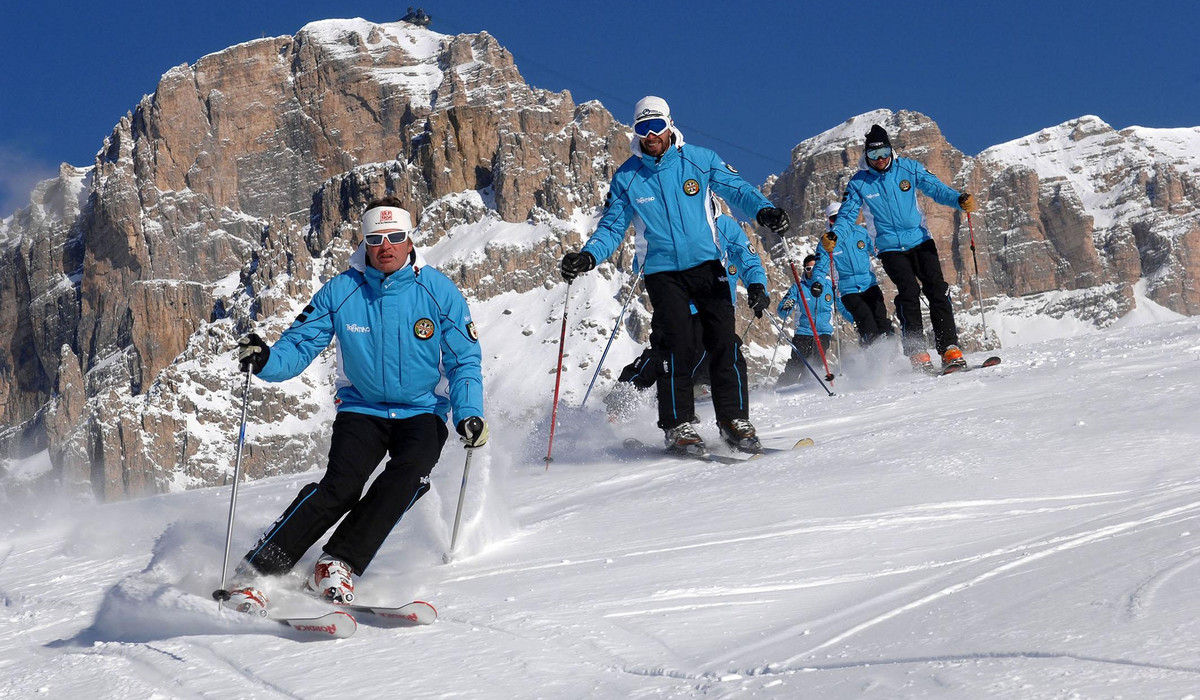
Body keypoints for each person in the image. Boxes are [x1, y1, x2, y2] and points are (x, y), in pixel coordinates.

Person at [225, 196, 487, 613]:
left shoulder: (437, 290)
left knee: (408, 476)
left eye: (395, 237)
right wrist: (267, 360)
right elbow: (300, 343)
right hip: (362, 408)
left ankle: (337, 562)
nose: (386, 246)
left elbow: (463, 359)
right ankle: (257, 574)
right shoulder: (342, 290)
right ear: (363, 241)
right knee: (341, 487)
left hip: (422, 410)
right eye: (375, 238)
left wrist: (470, 412)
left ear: (409, 239)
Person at [561, 96, 788, 454]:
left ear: (669, 125)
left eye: (656, 126)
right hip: (662, 272)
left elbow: (737, 188)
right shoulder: (628, 177)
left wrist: (764, 211)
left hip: (706, 265)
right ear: (634, 132)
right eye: (642, 128)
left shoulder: (699, 160)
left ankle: (734, 421)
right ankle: (678, 425)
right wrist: (588, 256)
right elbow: (612, 227)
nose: (650, 135)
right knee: (675, 346)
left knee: (723, 342)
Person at [831, 124, 977, 372]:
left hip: (920, 240)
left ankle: (949, 347)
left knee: (937, 289)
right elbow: (846, 215)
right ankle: (917, 351)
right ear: (866, 156)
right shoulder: (859, 183)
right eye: (874, 155)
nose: (880, 160)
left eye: (884, 153)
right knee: (908, 291)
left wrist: (958, 200)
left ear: (891, 150)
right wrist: (834, 236)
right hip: (889, 248)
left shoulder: (909, 168)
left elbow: (936, 188)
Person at [607, 213, 768, 419]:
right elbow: (643, 263)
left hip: (716, 307)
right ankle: (624, 397)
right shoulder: (672, 218)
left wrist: (758, 287)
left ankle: (692, 413)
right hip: (680, 304)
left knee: (723, 353)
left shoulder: (724, 225)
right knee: (670, 354)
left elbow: (749, 259)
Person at [818, 202, 894, 346]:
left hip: (869, 284)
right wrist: (818, 281)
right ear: (829, 220)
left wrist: (890, 256)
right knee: (866, 319)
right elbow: (820, 266)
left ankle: (893, 353)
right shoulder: (827, 241)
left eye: (841, 216)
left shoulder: (860, 232)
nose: (838, 221)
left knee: (881, 318)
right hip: (848, 290)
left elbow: (875, 250)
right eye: (834, 218)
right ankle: (874, 353)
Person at [774, 253, 848, 388]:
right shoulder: (799, 287)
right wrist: (787, 306)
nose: (812, 272)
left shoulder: (829, 286)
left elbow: (842, 306)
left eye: (815, 268)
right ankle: (782, 387)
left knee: (816, 360)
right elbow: (782, 311)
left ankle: (809, 389)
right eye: (808, 269)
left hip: (823, 332)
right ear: (804, 270)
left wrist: (853, 318)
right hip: (803, 331)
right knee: (797, 362)